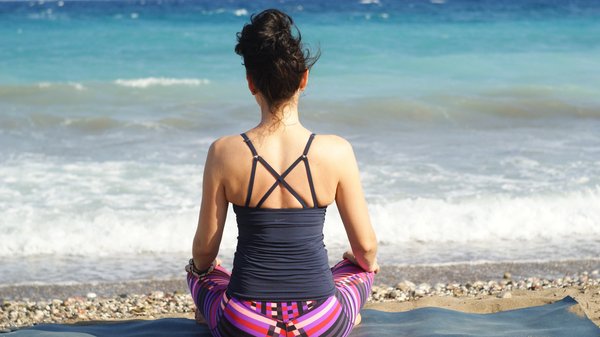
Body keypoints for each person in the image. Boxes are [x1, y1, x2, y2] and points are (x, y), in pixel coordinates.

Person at [186, 8, 379, 337]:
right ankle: (348, 315)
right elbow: (366, 248)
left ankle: (211, 312)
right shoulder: (337, 150)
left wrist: (204, 272)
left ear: (251, 83)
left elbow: (204, 252)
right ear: (304, 78)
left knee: (200, 274)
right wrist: (360, 262)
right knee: (358, 270)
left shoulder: (223, 151)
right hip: (319, 322)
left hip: (244, 324)